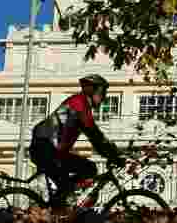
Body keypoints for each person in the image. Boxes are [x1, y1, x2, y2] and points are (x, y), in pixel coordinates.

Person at [29, 74, 125, 210]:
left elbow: (96, 136)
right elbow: (95, 135)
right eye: (102, 93)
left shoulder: (82, 105)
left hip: (51, 150)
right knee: (66, 185)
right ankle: (55, 215)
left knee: (89, 168)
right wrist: (113, 155)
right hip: (44, 149)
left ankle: (63, 203)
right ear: (91, 91)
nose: (104, 98)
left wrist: (111, 153)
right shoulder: (78, 104)